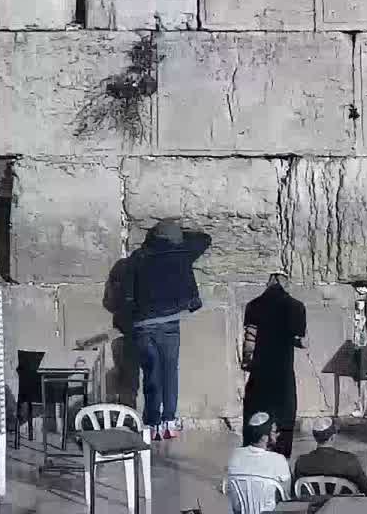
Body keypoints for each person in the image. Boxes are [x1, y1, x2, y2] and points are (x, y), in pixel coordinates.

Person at [125, 218, 211, 440]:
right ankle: (169, 422)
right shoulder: (181, 252)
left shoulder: (138, 257)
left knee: (151, 374)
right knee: (170, 372)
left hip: (143, 325)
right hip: (169, 323)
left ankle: (152, 424)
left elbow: (126, 295)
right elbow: (204, 238)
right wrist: (184, 230)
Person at [242, 269, 308, 457]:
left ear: (269, 281)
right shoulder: (296, 306)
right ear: (285, 282)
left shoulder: (253, 306)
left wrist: (247, 364)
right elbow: (301, 341)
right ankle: (280, 461)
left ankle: (252, 457)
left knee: (255, 417)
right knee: (284, 419)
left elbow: (250, 341)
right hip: (283, 374)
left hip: (259, 374)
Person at [226, 412, 292, 514]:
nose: (277, 434)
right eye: (274, 432)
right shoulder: (278, 460)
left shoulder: (235, 455)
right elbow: (287, 497)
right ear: (264, 437)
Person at [289, 417, 367, 494]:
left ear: (315, 437)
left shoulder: (301, 462)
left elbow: (295, 490)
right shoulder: (349, 461)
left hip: (314, 509)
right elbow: (366, 489)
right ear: (333, 437)